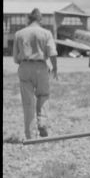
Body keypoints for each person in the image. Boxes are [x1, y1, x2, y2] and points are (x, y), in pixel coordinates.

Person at [12, 8, 58, 139]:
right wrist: (55, 68)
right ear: (40, 19)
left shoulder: (19, 34)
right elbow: (52, 53)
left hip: (25, 66)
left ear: (29, 18)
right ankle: (42, 122)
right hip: (41, 67)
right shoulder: (46, 33)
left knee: (28, 102)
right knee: (43, 95)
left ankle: (30, 134)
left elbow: (15, 58)